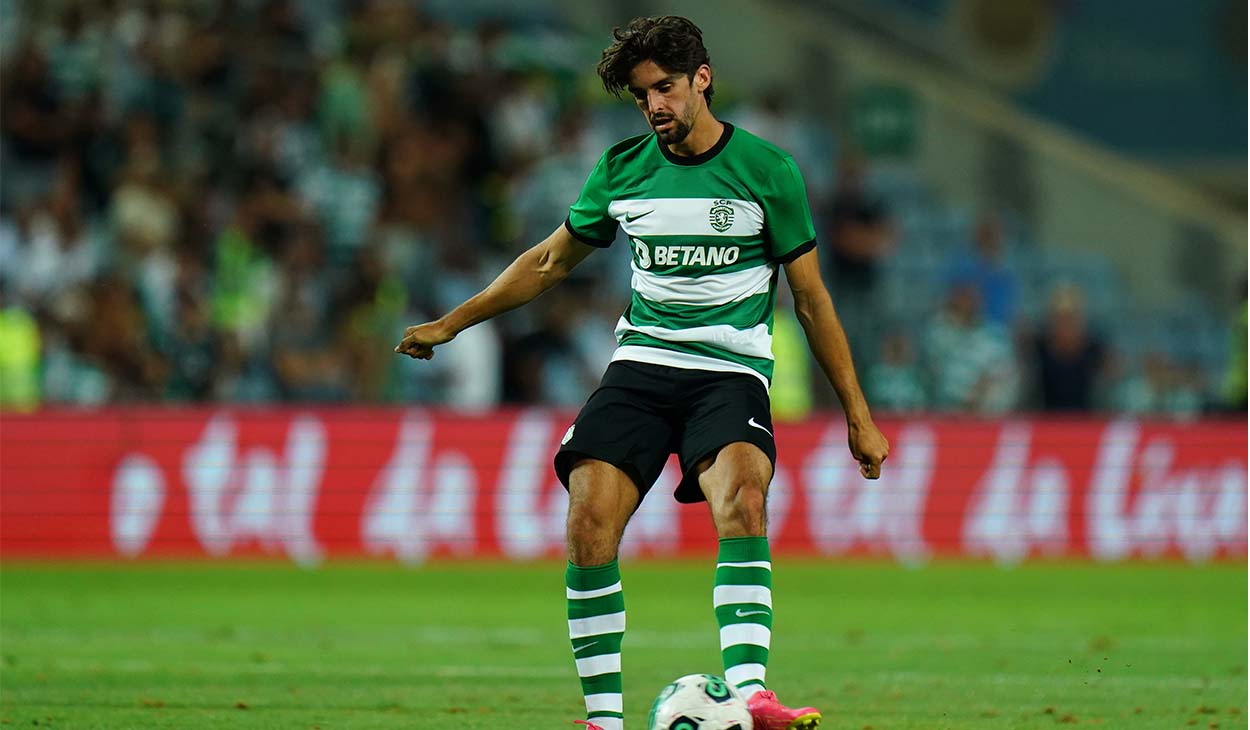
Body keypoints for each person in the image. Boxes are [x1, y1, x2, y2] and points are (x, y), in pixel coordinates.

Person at [395, 16, 889, 730]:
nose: (655, 104)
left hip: (730, 371)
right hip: (642, 367)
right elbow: (547, 263)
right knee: (589, 517)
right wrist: (452, 322)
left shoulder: (768, 171)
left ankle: (751, 698)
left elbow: (810, 299)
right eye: (641, 94)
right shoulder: (623, 170)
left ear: (702, 80)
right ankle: (602, 720)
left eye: (665, 88)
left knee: (743, 498)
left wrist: (858, 414)